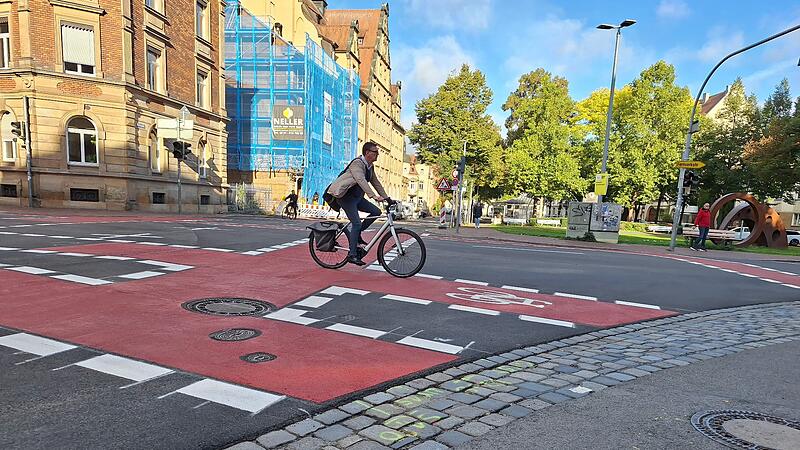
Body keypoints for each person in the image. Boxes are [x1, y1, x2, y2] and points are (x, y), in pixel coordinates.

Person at [326, 142, 389, 266]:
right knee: (356, 223)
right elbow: (361, 180)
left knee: (376, 212)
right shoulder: (357, 164)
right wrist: (373, 196)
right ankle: (352, 255)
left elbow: (376, 183)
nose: (378, 154)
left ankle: (358, 233)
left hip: (357, 198)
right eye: (375, 152)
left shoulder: (370, 167)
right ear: (367, 153)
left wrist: (387, 198)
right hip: (346, 197)